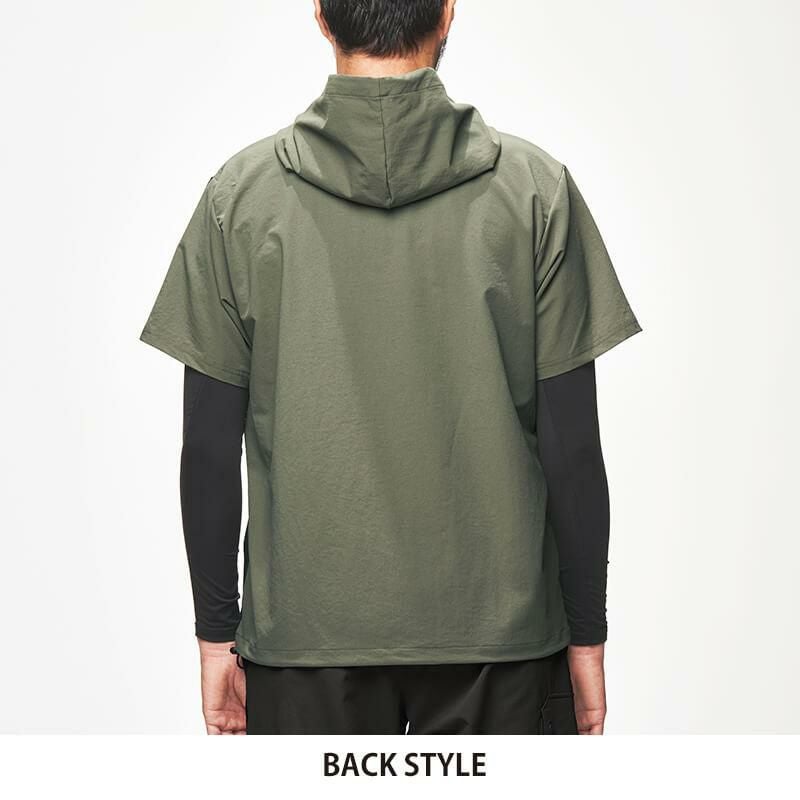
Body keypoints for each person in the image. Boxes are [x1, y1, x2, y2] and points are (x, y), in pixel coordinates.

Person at [140, 0, 642, 735]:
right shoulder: (536, 193)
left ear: (321, 14)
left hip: (306, 644)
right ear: (447, 12)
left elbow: (209, 449)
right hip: (502, 645)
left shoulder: (238, 201)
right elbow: (572, 447)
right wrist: (588, 634)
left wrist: (216, 635)